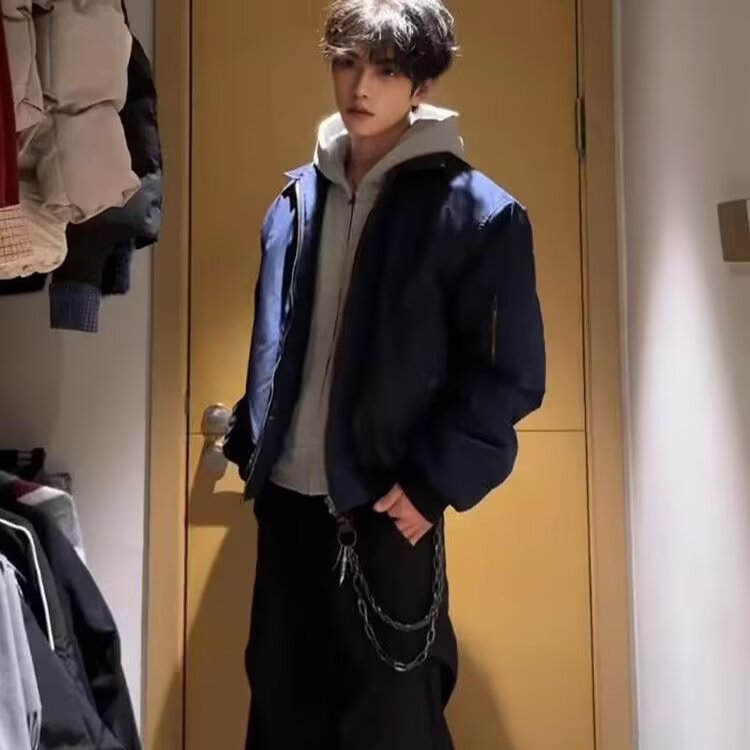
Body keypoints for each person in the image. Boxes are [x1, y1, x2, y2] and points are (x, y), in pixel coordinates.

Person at [224, 1, 546, 748]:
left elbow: (509, 374)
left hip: (387, 509)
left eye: (387, 70)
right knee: (281, 714)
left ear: (422, 83)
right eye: (346, 63)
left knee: (392, 725)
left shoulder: (480, 215)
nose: (360, 86)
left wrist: (434, 484)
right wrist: (253, 438)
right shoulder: (295, 203)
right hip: (288, 504)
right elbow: (282, 343)